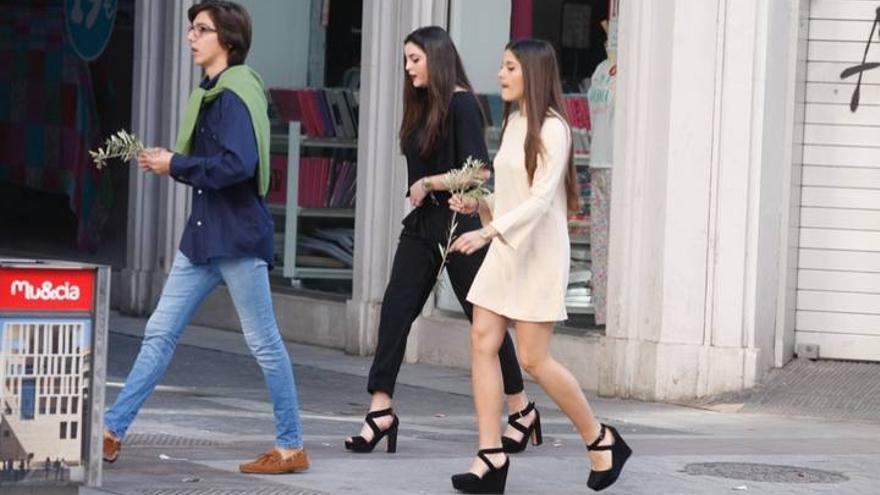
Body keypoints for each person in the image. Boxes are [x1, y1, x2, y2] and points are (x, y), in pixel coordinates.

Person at [102, 0, 308, 475]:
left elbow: (240, 166)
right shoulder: (213, 93)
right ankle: (112, 431)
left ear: (228, 42)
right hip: (201, 238)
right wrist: (172, 162)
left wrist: (175, 163)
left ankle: (291, 445)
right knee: (159, 333)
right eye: (191, 28)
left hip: (235, 238)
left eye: (201, 29)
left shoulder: (234, 95)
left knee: (264, 344)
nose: (191, 37)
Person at [344, 26, 541, 455]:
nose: (408, 67)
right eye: (405, 60)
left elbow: (479, 171)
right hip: (421, 227)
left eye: (415, 59)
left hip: (459, 226)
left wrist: (429, 183)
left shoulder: (462, 103)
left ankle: (521, 408)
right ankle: (380, 410)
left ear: (436, 58)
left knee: (484, 323)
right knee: (396, 309)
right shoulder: (420, 106)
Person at [448, 39, 631, 493]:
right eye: (502, 65)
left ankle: (601, 438)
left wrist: (485, 232)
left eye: (509, 67)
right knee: (482, 340)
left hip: (537, 254)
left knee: (533, 358)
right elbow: (511, 196)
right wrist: (478, 203)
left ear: (532, 72)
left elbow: (539, 201)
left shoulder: (554, 129)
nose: (500, 75)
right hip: (507, 247)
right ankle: (490, 455)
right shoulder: (513, 122)